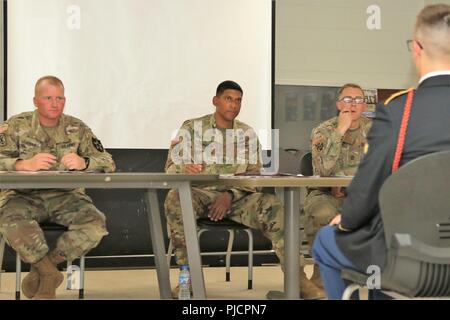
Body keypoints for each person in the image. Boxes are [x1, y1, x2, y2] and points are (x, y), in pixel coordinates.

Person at [312, 3, 450, 299]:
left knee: (327, 240)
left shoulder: (399, 111)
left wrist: (348, 219)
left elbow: (369, 186)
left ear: (416, 48)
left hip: (408, 258)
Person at [164, 80, 288, 298]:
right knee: (176, 199)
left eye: (238, 100)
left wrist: (230, 194)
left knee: (273, 204)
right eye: (228, 99)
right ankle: (187, 279)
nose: (234, 105)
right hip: (199, 195)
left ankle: (297, 279)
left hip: (238, 198)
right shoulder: (192, 128)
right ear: (215, 100)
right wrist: (185, 168)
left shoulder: (246, 133)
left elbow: (254, 175)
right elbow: (170, 168)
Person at [0, 75, 116, 299]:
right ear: (35, 101)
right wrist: (22, 164)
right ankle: (48, 273)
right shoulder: (15, 126)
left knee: (95, 223)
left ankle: (47, 268)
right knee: (10, 219)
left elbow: (108, 161)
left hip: (66, 196)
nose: (55, 103)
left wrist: (86, 163)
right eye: (48, 98)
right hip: (22, 196)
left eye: (60, 98)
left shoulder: (77, 128)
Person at [302, 83, 372, 295]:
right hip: (324, 193)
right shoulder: (323, 131)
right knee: (323, 213)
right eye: (348, 100)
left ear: (364, 105)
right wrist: (340, 130)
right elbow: (323, 170)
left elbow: (383, 167)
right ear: (338, 104)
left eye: (358, 100)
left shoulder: (376, 131)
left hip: (362, 195)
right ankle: (322, 275)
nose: (353, 105)